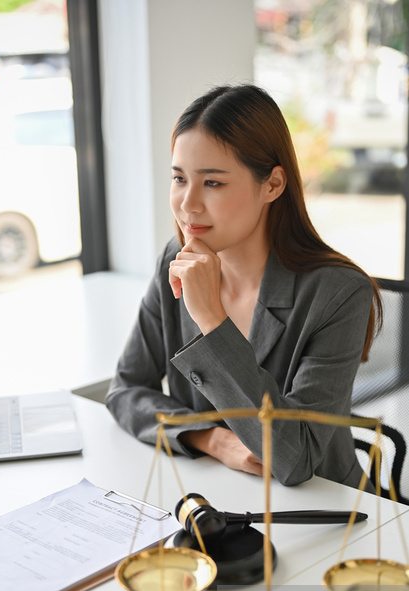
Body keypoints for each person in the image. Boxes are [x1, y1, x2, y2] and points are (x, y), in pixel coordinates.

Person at [106, 84, 382, 489]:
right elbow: (125, 390)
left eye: (212, 183)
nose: (188, 204)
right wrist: (212, 440)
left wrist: (212, 320)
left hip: (326, 510)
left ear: (272, 185)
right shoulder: (175, 258)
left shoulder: (339, 295)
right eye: (179, 178)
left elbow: (295, 459)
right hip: (214, 494)